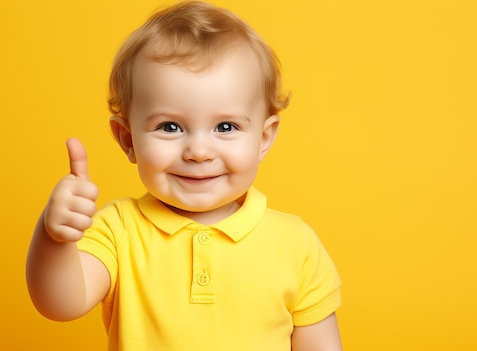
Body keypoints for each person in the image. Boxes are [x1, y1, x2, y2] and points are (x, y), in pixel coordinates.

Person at [26, 1, 342, 350]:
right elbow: (60, 303)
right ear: (128, 139)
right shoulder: (118, 231)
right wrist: (54, 237)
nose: (198, 151)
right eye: (170, 126)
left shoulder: (296, 245)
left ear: (263, 139)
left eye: (225, 126)